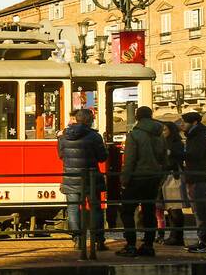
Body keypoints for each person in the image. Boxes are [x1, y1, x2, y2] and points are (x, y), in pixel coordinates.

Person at [116, 106, 167, 257]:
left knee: (127, 211)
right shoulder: (160, 135)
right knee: (149, 212)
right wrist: (161, 177)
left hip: (137, 178)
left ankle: (131, 244)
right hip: (154, 178)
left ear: (137, 117)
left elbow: (130, 160)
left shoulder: (135, 135)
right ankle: (148, 245)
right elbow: (164, 159)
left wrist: (124, 180)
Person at [57, 108, 106, 249]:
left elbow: (61, 155)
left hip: (71, 177)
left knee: (73, 209)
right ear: (90, 121)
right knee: (96, 209)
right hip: (91, 178)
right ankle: (98, 241)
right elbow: (102, 157)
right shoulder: (95, 136)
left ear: (76, 119)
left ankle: (77, 239)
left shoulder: (64, 136)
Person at [181, 111, 206, 253]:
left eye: (184, 122)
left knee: (201, 210)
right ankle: (202, 240)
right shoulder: (196, 136)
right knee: (199, 209)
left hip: (201, 176)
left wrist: (175, 153)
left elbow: (195, 155)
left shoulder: (198, 137)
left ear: (193, 123)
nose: (182, 125)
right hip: (200, 176)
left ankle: (203, 242)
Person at [158, 121, 185, 246]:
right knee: (170, 209)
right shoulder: (165, 143)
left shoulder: (176, 144)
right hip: (167, 177)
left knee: (175, 208)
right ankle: (173, 235)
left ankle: (177, 236)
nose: (163, 132)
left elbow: (175, 160)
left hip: (173, 177)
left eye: (165, 130)